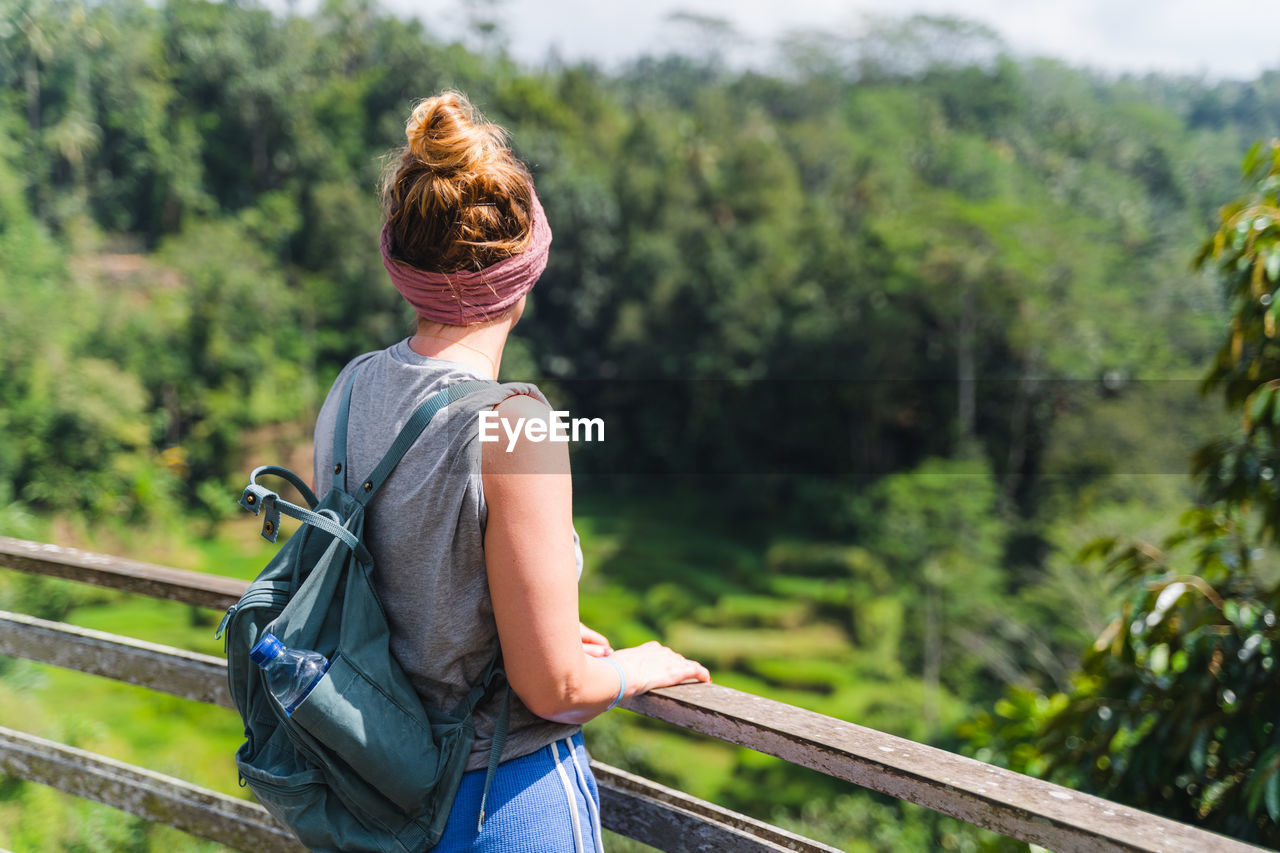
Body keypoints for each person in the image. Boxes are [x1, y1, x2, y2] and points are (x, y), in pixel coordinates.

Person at [311, 91, 711, 852]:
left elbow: (404, 585)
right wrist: (639, 664)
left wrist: (539, 627)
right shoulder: (516, 422)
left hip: (375, 792)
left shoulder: (352, 387)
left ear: (400, 263)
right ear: (527, 268)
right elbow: (554, 688)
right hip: (498, 800)